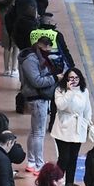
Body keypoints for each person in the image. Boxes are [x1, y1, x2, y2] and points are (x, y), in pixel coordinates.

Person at [20, 36, 58, 172]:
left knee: (34, 131)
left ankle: (31, 162)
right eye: (47, 50)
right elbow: (36, 81)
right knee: (39, 133)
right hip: (37, 98)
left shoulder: (34, 57)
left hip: (36, 98)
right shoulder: (31, 60)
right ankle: (39, 164)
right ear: (42, 47)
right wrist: (54, 78)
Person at [51, 68, 94, 184]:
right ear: (66, 79)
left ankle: (69, 184)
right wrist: (70, 92)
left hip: (78, 128)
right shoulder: (60, 90)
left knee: (73, 158)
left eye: (76, 78)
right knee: (64, 158)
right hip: (63, 128)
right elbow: (61, 106)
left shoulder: (84, 91)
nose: (74, 80)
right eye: (71, 78)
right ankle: (56, 181)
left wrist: (87, 122)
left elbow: (87, 109)